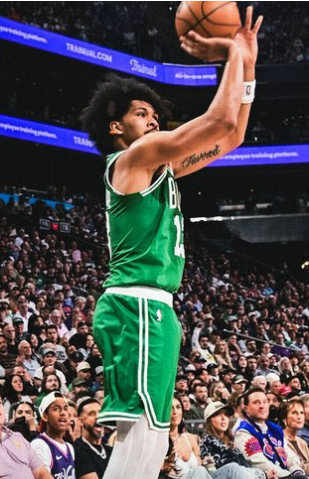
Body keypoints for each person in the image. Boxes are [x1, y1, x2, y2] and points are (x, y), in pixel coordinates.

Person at [80, 7, 262, 478]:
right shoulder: (133, 158)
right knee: (140, 434)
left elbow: (233, 135)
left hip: (156, 307)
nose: (153, 121)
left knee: (154, 434)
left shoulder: (161, 168)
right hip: (135, 304)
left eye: (156, 116)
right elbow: (218, 119)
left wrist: (247, 65)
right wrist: (232, 54)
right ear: (116, 127)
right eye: (142, 114)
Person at [234, 388, 308, 478]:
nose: (262, 406)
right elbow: (261, 464)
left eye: (265, 402)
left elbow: (290, 456)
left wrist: (297, 471)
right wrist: (290, 476)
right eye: (256, 402)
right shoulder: (243, 432)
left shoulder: (275, 429)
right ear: (246, 409)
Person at [200, 401, 267, 479]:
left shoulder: (231, 440)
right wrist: (261, 474)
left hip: (242, 475)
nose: (223, 418)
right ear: (209, 420)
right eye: (218, 415)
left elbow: (244, 466)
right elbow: (221, 469)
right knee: (233, 468)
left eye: (226, 415)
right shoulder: (207, 441)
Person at [31, 391, 76, 479]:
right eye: (56, 409)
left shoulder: (70, 447)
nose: (63, 413)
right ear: (45, 416)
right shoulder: (39, 445)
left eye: (65, 409)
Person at [163, 395, 209, 479]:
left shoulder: (191, 438)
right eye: (170, 408)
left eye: (178, 407)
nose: (175, 412)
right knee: (199, 471)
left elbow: (199, 464)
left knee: (232, 468)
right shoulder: (159, 442)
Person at [74, 397, 112, 479]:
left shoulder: (110, 450)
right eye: (91, 414)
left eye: (100, 412)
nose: (98, 416)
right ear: (81, 421)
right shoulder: (78, 450)